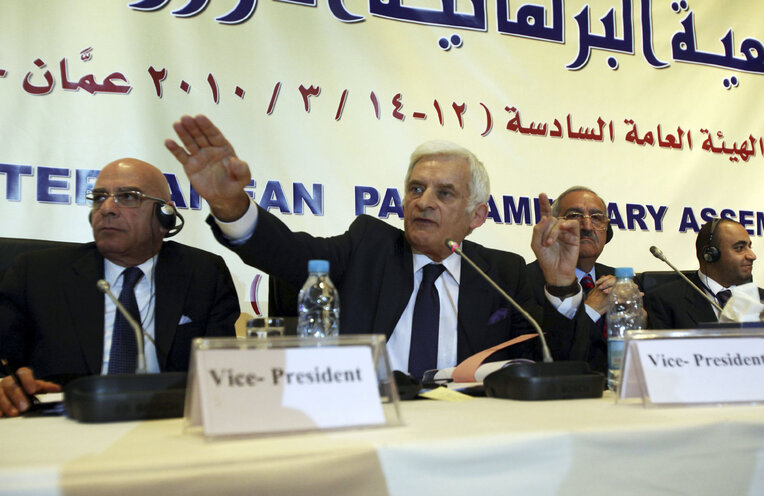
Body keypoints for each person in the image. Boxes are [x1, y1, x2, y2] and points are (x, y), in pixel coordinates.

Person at [165, 115, 585, 379]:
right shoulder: (368, 246)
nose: (423, 202)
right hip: (369, 421)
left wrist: (562, 282)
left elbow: (545, 362)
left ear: (476, 215)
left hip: (469, 432)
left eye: (444, 194)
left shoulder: (502, 272)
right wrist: (230, 204)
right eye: (416, 189)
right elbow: (287, 254)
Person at [0, 158, 239, 417]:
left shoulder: (204, 273)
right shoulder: (37, 273)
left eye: (128, 197)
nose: (107, 208)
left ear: (165, 216)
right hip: (62, 422)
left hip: (168, 423)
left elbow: (223, 370)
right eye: (99, 197)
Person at [526, 186, 615, 373]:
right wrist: (590, 311)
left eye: (597, 218)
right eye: (574, 216)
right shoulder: (523, 280)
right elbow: (541, 355)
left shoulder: (622, 281)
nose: (587, 226)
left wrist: (638, 323)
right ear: (553, 226)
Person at [644, 218, 761, 329]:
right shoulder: (665, 301)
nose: (752, 256)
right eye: (740, 248)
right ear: (710, 255)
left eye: (749, 247)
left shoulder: (760, 298)